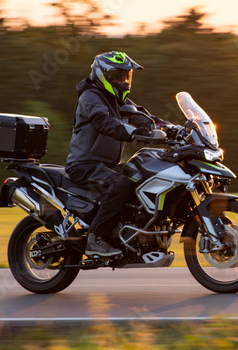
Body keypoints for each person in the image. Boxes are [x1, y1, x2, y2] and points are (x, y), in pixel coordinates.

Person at [66, 51, 169, 257]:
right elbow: (102, 121)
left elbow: (144, 117)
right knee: (119, 184)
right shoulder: (90, 96)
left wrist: (174, 128)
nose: (124, 82)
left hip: (107, 166)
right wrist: (133, 132)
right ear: (103, 74)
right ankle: (96, 238)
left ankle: (128, 234)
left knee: (142, 178)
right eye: (118, 76)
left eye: (126, 76)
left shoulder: (119, 101)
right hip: (84, 165)